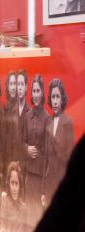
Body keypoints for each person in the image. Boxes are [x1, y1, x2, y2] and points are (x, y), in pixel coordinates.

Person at [42, 78, 74, 207]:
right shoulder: (48, 122)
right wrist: (43, 191)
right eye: (53, 97)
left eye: (57, 97)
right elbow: (45, 160)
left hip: (61, 184)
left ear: (62, 99)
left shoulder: (67, 123)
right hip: (49, 185)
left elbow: (68, 160)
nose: (55, 101)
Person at [22, 75, 49, 226]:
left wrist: (44, 187)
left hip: (40, 176)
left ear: (42, 93)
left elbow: (48, 155)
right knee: (28, 215)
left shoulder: (47, 118)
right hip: (29, 174)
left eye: (38, 91)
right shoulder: (27, 116)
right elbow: (22, 142)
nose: (36, 94)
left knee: (39, 216)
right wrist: (27, 149)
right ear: (31, 93)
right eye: (34, 91)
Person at [0, 161, 28, 232]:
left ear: (20, 186)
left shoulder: (24, 207)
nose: (14, 188)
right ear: (8, 184)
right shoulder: (4, 202)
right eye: (12, 183)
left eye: (17, 183)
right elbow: (2, 229)